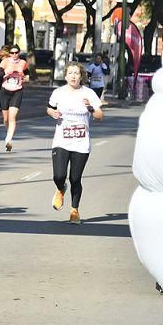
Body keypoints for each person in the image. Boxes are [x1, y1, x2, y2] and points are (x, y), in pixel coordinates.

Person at [47, 62, 104, 224]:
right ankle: (60, 189)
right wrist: (53, 113)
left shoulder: (89, 93)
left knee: (75, 178)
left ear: (81, 76)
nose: (73, 76)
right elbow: (49, 108)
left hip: (81, 143)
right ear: (65, 76)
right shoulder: (58, 93)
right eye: (70, 73)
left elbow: (100, 116)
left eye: (76, 73)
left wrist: (91, 108)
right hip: (61, 141)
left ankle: (74, 211)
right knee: (59, 175)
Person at [0, 45, 28, 152]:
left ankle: (9, 139)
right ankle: (8, 133)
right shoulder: (5, 62)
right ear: (9, 53)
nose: (14, 55)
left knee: (12, 117)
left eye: (16, 53)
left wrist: (24, 77)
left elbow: (28, 75)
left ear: (19, 53)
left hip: (17, 91)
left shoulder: (23, 63)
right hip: (5, 91)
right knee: (5, 118)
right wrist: (6, 73)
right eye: (12, 53)